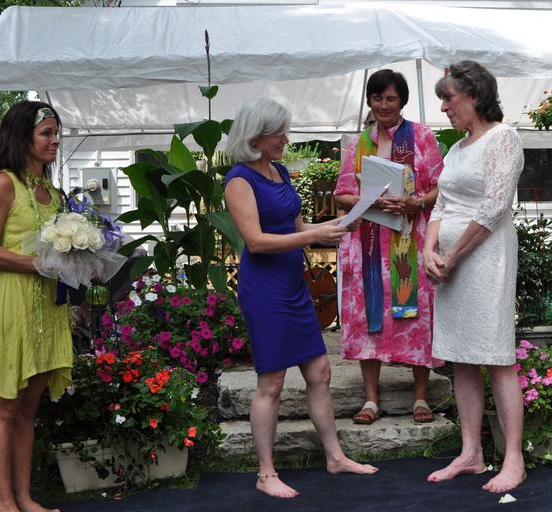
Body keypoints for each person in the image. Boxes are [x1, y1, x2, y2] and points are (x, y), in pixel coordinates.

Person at [223, 97, 378, 499]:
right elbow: (256, 242)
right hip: (265, 290)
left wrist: (337, 223)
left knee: (320, 372)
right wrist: (315, 235)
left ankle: (335, 457)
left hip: (293, 286)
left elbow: (297, 227)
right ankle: (265, 474)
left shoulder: (278, 172)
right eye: (279, 133)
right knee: (272, 382)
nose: (286, 140)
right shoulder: (239, 180)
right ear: (256, 136)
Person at [423, 61, 526, 493]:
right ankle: (471, 453)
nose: (443, 107)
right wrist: (430, 250)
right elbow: (441, 204)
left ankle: (514, 459)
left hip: (485, 260)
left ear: (475, 95)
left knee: (496, 357)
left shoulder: (503, 138)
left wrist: (453, 256)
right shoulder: (457, 149)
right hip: (450, 264)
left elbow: (494, 207)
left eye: (448, 98)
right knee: (461, 357)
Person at [0, 101, 71, 512]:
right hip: (10, 304)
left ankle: (25, 499)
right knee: (6, 405)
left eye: (56, 132)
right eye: (46, 133)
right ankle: (4, 504)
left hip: (47, 306)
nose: (55, 140)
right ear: (22, 137)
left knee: (28, 407)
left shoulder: (54, 192)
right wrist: (37, 264)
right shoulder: (3, 183)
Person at [334, 69, 444, 425]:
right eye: (377, 98)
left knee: (416, 317)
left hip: (409, 242)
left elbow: (441, 187)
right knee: (370, 318)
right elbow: (341, 195)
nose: (383, 105)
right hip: (368, 247)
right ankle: (370, 400)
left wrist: (416, 202)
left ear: (402, 102)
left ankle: (421, 397)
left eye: (391, 98)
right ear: (369, 100)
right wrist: (370, 201)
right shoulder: (357, 144)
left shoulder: (422, 137)